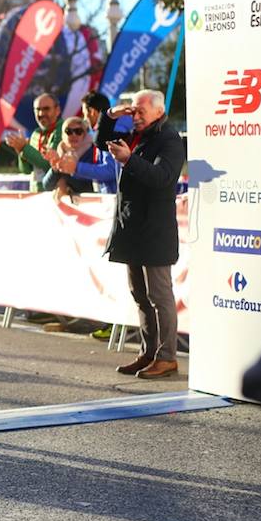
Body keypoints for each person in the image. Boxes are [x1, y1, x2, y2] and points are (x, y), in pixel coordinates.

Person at [99, 89, 185, 379]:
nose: (134, 116)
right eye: (132, 111)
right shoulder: (140, 136)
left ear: (158, 112)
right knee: (140, 295)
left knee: (159, 295)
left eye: (140, 111)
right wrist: (110, 116)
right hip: (131, 228)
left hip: (155, 230)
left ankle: (167, 357)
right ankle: (149, 353)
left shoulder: (169, 139)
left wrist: (128, 160)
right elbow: (102, 142)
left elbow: (161, 178)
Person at [4, 92, 63, 192]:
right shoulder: (36, 133)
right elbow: (26, 170)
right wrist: (20, 151)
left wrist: (24, 148)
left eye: (46, 109)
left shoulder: (64, 129)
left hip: (56, 193)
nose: (41, 114)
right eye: (38, 110)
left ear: (57, 110)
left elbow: (49, 165)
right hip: (35, 191)